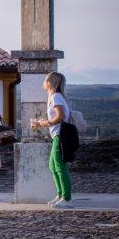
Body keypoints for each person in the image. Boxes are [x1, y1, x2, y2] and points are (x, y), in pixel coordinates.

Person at [32, 72, 74, 209]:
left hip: (60, 135)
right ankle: (60, 195)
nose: (44, 82)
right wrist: (43, 123)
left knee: (60, 167)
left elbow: (60, 117)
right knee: (53, 166)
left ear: (50, 82)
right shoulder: (57, 97)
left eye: (46, 79)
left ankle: (67, 198)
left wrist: (45, 123)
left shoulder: (56, 97)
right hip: (57, 135)